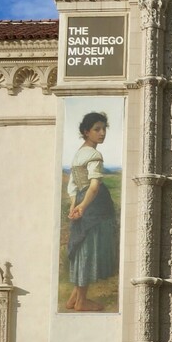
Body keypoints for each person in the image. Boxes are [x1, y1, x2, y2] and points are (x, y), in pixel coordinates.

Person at [65, 111, 118, 311]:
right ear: (86, 132)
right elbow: (94, 187)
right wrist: (83, 207)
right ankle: (81, 301)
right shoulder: (94, 154)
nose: (102, 133)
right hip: (95, 205)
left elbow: (73, 185)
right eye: (97, 129)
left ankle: (73, 299)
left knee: (82, 247)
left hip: (81, 200)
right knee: (88, 249)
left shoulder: (79, 153)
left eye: (104, 129)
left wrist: (74, 204)